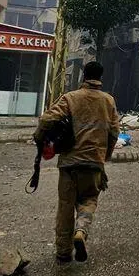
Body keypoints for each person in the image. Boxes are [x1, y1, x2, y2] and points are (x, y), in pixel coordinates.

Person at [34, 60, 119, 264]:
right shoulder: (108, 101)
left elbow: (46, 119)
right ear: (100, 78)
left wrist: (40, 138)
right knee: (89, 200)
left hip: (69, 163)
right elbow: (114, 132)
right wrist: (105, 156)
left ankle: (63, 252)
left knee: (65, 207)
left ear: (83, 76)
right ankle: (81, 230)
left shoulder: (70, 98)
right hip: (94, 163)